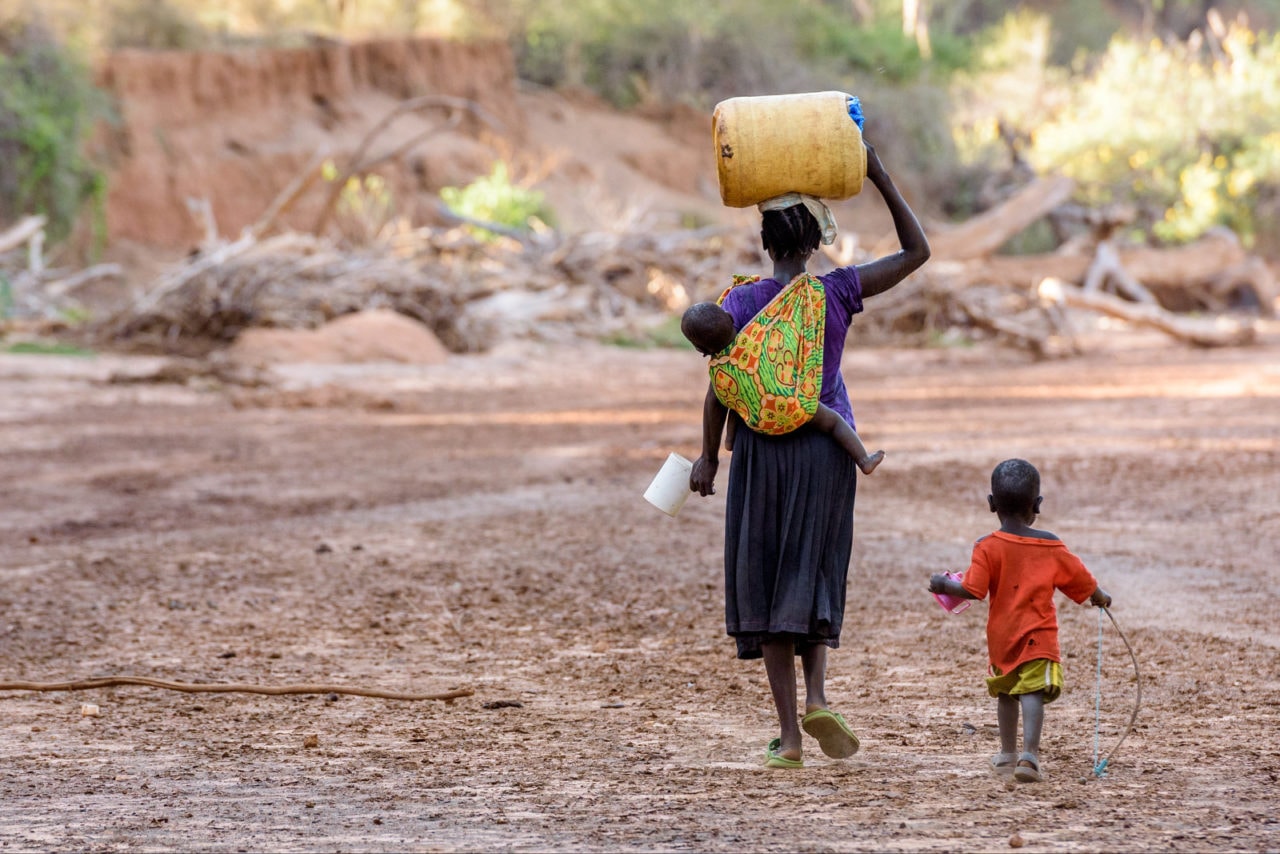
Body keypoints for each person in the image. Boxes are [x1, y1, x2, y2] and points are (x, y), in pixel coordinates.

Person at [689, 140, 930, 768]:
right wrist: (877, 170)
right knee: (811, 572)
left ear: (765, 240)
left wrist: (709, 458)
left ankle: (791, 737)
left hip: (762, 457)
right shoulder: (836, 293)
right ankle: (820, 693)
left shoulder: (737, 303)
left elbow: (720, 383)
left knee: (769, 586)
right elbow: (917, 252)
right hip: (826, 454)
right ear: (815, 240)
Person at [928, 458, 1113, 783]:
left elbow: (973, 589)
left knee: (1006, 693)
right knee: (1032, 692)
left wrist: (944, 585)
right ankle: (1029, 755)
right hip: (1039, 637)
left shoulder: (986, 547)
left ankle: (1007, 754)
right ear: (1037, 505)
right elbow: (1081, 579)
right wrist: (1099, 597)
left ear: (991, 504)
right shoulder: (1051, 545)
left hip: (1002, 638)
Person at [680, 301, 885, 474]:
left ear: (701, 350)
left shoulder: (718, 374)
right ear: (731, 318)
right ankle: (864, 460)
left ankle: (730, 441)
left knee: (735, 402)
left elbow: (720, 401)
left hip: (761, 421)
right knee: (833, 422)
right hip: (789, 405)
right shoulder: (757, 335)